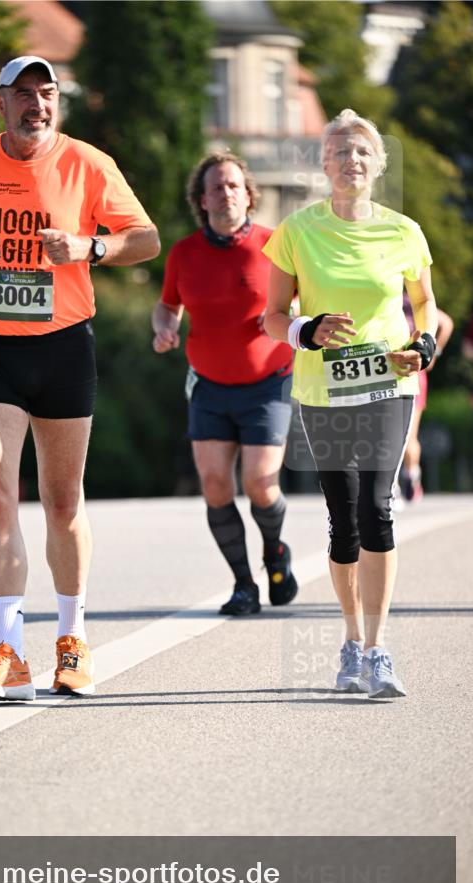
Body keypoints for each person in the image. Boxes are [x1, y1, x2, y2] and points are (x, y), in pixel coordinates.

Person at [0, 56, 160, 701]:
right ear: (1, 104)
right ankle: (10, 654)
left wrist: (90, 247)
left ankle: (72, 641)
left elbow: (146, 238)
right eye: (23, 94)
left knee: (63, 502)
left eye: (46, 93)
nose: (36, 105)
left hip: (64, 346)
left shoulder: (88, 163)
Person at [264, 108, 438, 699]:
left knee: (376, 507)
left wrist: (424, 345)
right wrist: (305, 331)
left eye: (362, 151)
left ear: (378, 164)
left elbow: (425, 304)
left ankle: (378, 648)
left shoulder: (404, 231)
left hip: (388, 383)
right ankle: (351, 639)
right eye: (340, 151)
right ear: (324, 164)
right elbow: (271, 317)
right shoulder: (296, 231)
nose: (352, 160)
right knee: (343, 523)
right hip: (324, 390)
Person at [152, 153, 297, 615]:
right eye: (216, 187)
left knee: (259, 483)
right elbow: (167, 305)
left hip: (268, 383)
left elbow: (304, 305)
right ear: (202, 199)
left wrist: (290, 318)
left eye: (234, 185)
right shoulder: (184, 253)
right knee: (215, 486)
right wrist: (164, 328)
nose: (226, 193)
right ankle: (243, 585)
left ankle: (275, 551)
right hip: (209, 387)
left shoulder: (276, 245)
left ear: (249, 194)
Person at [398, 295, 454, 502]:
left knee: (408, 434)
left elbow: (446, 322)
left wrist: (433, 353)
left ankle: (411, 475)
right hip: (385, 372)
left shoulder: (409, 301)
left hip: (413, 372)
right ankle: (391, 488)